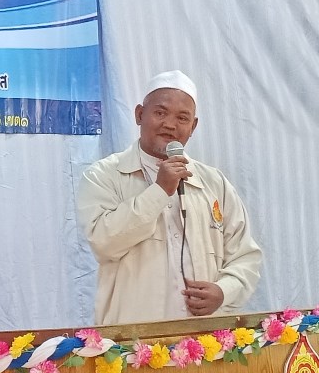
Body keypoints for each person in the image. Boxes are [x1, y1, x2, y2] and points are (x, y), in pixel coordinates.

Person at [77, 70, 262, 325]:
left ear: (193, 127)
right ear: (139, 115)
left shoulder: (214, 183)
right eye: (160, 113)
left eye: (182, 118)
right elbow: (103, 242)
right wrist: (160, 190)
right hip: (134, 339)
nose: (170, 125)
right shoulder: (103, 176)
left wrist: (224, 292)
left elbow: (245, 256)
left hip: (204, 339)